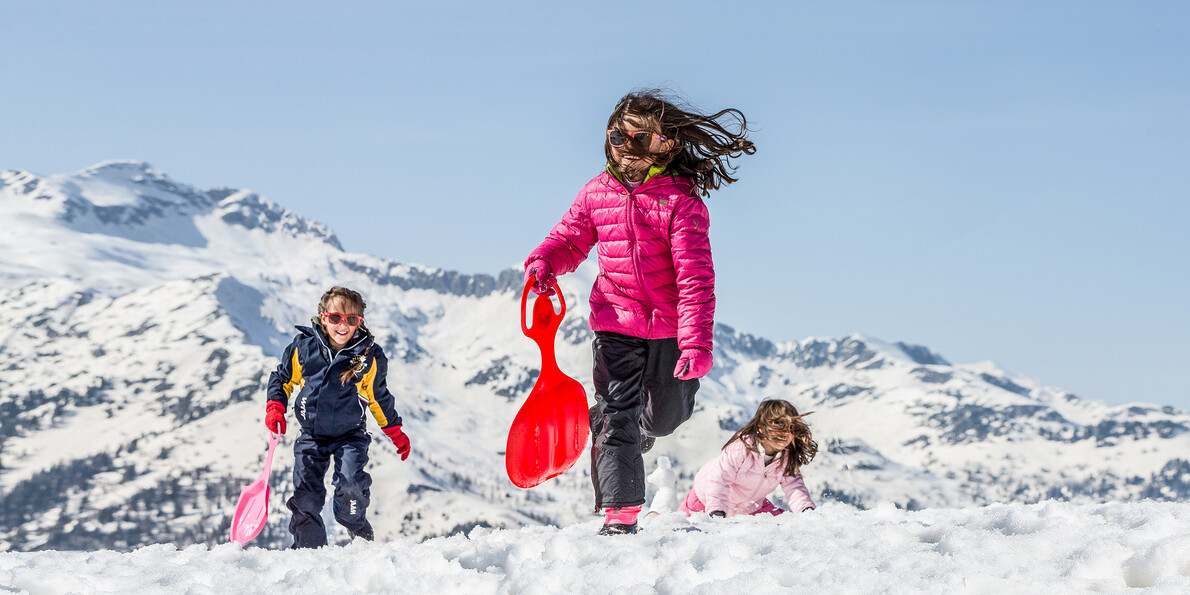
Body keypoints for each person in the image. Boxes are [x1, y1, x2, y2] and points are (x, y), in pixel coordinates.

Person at [523, 89, 756, 535]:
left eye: (640, 138)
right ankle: (621, 511)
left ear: (667, 145)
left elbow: (695, 279)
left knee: (664, 418)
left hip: (669, 329)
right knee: (617, 414)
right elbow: (570, 238)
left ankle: (639, 426)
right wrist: (545, 262)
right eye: (617, 136)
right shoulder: (596, 193)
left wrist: (696, 343)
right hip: (615, 322)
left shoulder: (681, 203)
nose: (626, 146)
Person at [264, 286, 411, 548]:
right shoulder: (304, 349)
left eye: (351, 320)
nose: (343, 325)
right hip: (312, 435)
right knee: (305, 498)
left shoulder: (368, 356)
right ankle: (309, 555)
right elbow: (283, 378)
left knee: (350, 488)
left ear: (359, 322)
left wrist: (395, 430)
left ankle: (358, 531)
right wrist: (275, 406)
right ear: (323, 318)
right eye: (336, 318)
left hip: (350, 436)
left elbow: (378, 396)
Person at [679, 399, 817, 517]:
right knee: (685, 528)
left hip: (749, 506)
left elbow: (793, 486)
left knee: (782, 526)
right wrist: (717, 510)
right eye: (778, 425)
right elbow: (719, 479)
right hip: (706, 499)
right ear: (761, 427)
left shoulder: (785, 458)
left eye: (791, 428)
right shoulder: (742, 448)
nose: (785, 432)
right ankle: (661, 519)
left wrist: (805, 510)